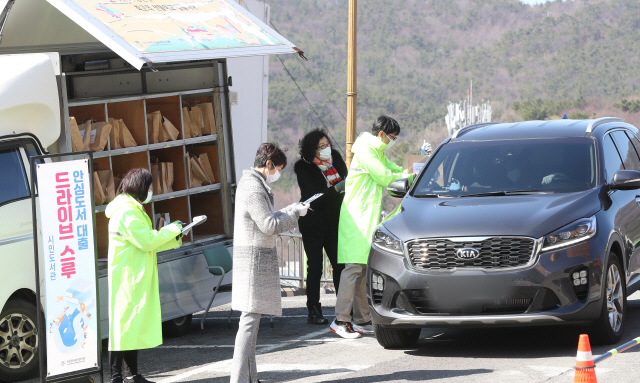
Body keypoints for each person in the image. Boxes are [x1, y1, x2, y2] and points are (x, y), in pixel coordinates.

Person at [231, 143, 309, 383]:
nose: (278, 174)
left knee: (251, 325)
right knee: (249, 323)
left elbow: (268, 219)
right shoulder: (253, 188)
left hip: (254, 259)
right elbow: (269, 225)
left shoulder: (252, 184)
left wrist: (290, 209)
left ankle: (250, 378)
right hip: (254, 261)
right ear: (268, 164)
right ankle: (239, 379)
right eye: (278, 169)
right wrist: (294, 214)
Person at [330, 116, 414, 339]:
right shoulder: (367, 151)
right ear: (381, 134)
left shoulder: (376, 151)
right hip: (356, 217)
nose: (392, 141)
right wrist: (411, 177)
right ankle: (341, 319)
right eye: (392, 137)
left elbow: (393, 168)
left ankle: (362, 318)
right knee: (353, 269)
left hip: (366, 216)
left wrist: (412, 174)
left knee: (362, 269)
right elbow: (385, 176)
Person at [105, 168, 183, 383]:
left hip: (132, 273)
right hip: (128, 276)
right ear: (139, 187)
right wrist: (172, 230)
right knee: (122, 328)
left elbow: (147, 242)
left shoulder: (129, 208)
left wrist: (175, 235)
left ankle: (132, 375)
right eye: (149, 187)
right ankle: (116, 377)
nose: (150, 191)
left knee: (131, 326)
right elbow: (147, 241)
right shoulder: (127, 212)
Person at [294, 129, 347, 324]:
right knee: (315, 267)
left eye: (327, 145)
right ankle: (314, 310)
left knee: (339, 265)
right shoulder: (304, 167)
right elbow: (313, 198)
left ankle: (343, 308)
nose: (326, 149)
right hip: (313, 222)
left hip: (334, 220)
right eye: (321, 147)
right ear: (312, 150)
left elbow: (346, 182)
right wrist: (336, 189)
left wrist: (340, 189)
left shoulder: (336, 160)